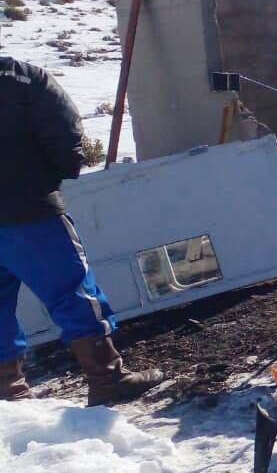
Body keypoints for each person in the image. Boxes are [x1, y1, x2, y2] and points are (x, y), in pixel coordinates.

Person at [0, 55, 163, 406]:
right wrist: (47, 179)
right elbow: (65, 131)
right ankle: (106, 378)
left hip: (25, 206)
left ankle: (8, 394)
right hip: (29, 211)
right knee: (71, 291)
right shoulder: (24, 78)